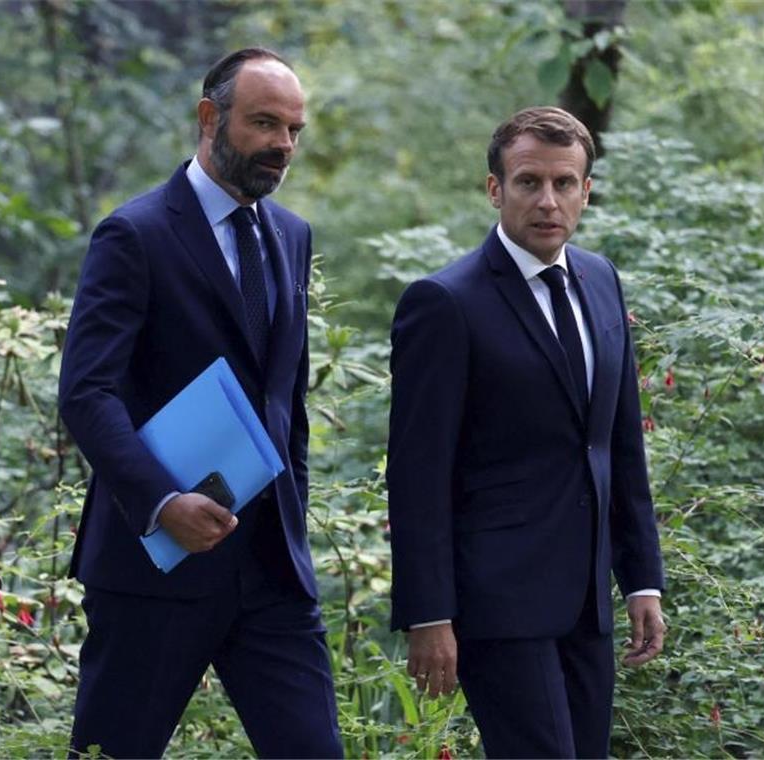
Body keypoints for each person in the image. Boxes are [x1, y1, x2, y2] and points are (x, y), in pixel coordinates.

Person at [58, 48, 342, 758]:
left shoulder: (292, 235)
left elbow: (287, 402)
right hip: (153, 566)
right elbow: (86, 393)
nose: (282, 144)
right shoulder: (134, 234)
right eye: (265, 123)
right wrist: (162, 502)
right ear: (210, 117)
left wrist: (293, 515)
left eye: (294, 130)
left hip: (273, 571)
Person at [386, 106, 666, 758]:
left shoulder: (600, 281)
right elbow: (416, 474)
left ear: (586, 191)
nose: (548, 200)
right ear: (495, 189)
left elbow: (619, 445)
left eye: (564, 184)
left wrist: (642, 579)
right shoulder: (445, 303)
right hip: (496, 605)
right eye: (528, 182)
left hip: (587, 603)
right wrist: (429, 615)